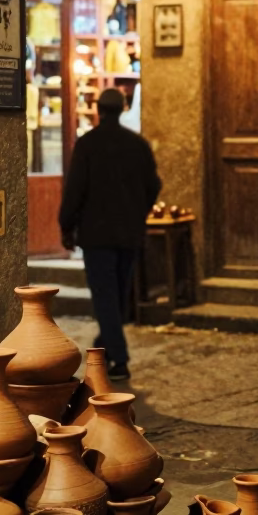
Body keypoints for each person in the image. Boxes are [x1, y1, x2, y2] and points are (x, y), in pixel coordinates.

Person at [59, 88, 161, 380]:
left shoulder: (87, 145)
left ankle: (119, 359)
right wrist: (139, 211)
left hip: (96, 235)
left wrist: (66, 225)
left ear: (97, 109)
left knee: (105, 296)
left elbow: (75, 189)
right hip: (129, 233)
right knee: (117, 294)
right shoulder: (138, 145)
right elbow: (153, 185)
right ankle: (105, 343)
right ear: (124, 107)